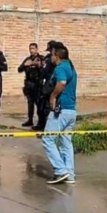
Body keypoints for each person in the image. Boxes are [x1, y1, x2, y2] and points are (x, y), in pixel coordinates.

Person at [42, 45, 78, 185]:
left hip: (61, 110)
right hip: (71, 111)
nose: (51, 57)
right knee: (65, 143)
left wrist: (53, 96)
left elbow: (62, 83)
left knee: (48, 139)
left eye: (52, 55)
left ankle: (60, 171)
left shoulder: (61, 68)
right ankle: (70, 174)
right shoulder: (71, 67)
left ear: (56, 56)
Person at [34, 40, 60, 131]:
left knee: (45, 107)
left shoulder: (51, 59)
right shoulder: (49, 58)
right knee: (42, 106)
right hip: (47, 83)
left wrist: (41, 67)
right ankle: (42, 125)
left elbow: (45, 71)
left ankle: (45, 127)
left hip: (49, 84)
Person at [18, 43, 44, 127]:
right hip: (29, 84)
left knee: (39, 103)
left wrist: (39, 65)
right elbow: (19, 69)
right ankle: (30, 120)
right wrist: (25, 65)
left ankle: (41, 121)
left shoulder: (41, 58)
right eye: (30, 49)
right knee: (30, 103)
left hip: (38, 84)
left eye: (33, 48)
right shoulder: (28, 59)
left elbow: (45, 70)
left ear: (37, 49)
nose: (31, 50)